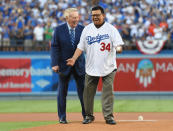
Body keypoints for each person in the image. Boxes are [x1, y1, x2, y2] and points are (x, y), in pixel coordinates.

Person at [67, 6, 124, 125]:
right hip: (91, 67)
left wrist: (118, 48)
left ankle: (108, 116)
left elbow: (119, 45)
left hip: (108, 67)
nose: (95, 17)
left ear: (103, 15)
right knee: (87, 93)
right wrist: (73, 58)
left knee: (107, 92)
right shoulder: (87, 29)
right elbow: (80, 47)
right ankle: (88, 116)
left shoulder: (111, 29)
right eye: (93, 15)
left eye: (97, 15)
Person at [50, 8, 86, 124]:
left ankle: (87, 116)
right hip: (64, 65)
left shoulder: (83, 29)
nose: (76, 19)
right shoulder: (58, 30)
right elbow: (54, 47)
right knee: (62, 92)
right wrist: (55, 63)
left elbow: (87, 47)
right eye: (73, 17)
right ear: (67, 18)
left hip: (79, 65)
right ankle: (62, 117)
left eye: (77, 17)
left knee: (84, 92)